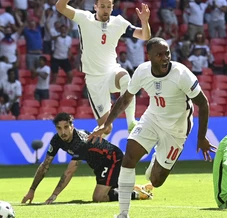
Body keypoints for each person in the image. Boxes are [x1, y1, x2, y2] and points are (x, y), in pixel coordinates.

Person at [90, 37, 216, 218]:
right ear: (149, 56)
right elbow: (126, 98)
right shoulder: (142, 72)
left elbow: (203, 104)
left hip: (176, 129)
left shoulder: (181, 73)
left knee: (156, 181)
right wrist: (106, 123)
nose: (165, 58)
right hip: (153, 118)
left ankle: (158, 156)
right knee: (129, 157)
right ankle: (123, 213)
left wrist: (201, 137)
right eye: (159, 55)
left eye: (167, 54)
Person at [55, 0, 151, 136]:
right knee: (105, 128)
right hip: (94, 79)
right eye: (102, 6)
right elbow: (60, 7)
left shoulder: (118, 22)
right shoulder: (85, 18)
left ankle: (131, 123)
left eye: (109, 6)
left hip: (111, 71)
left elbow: (145, 36)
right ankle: (90, 151)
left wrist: (144, 21)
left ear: (112, 8)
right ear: (95, 7)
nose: (106, 9)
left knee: (126, 77)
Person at [21, 112, 153, 204]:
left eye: (66, 127)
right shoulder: (57, 140)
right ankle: (135, 188)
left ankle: (136, 194)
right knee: (107, 191)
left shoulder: (81, 141)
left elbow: (70, 171)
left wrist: (54, 195)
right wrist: (31, 191)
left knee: (99, 197)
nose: (63, 132)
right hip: (99, 165)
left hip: (112, 159)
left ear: (72, 126)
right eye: (59, 128)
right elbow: (45, 165)